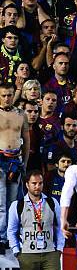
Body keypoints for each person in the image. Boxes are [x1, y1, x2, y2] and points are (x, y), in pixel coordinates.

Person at [0, 83, 29, 252]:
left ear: (14, 94)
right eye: (3, 95)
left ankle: (10, 238)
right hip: (0, 159)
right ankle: (1, 238)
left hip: (15, 161)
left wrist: (24, 163)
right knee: (1, 204)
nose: (6, 98)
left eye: (9, 95)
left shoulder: (21, 114)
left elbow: (26, 139)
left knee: (12, 203)